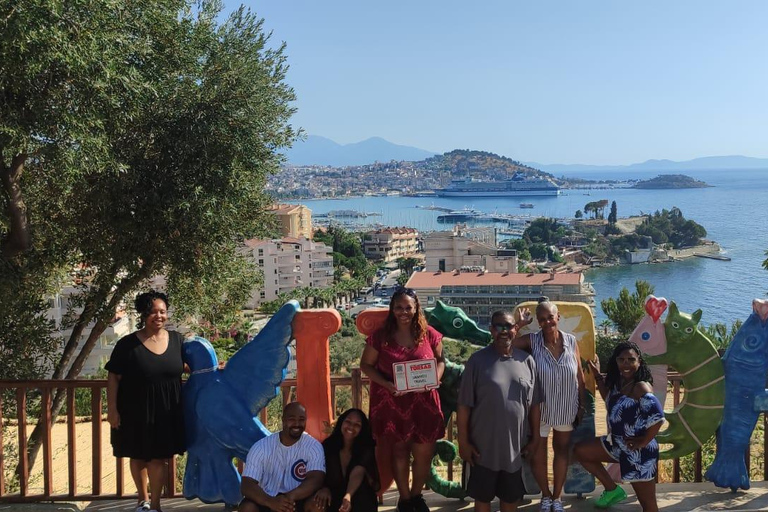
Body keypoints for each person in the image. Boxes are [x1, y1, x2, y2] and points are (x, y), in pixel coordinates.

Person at [360, 286, 445, 512]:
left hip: (424, 403)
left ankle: (417, 496)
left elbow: (440, 360)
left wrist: (435, 378)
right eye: (399, 307)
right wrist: (387, 384)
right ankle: (405, 500)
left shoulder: (429, 334)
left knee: (424, 453)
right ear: (392, 309)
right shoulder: (380, 337)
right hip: (395, 403)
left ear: (416, 308)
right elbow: (365, 366)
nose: (404, 312)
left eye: (408, 307)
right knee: (400, 452)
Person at [106, 290, 186, 512]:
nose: (158, 316)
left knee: (158, 458)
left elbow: (187, 366)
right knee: (138, 455)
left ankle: (156, 506)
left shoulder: (178, 340)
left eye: (162, 311)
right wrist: (112, 409)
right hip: (134, 409)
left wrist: (216, 369)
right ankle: (143, 501)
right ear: (143, 314)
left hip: (167, 410)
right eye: (152, 312)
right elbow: (113, 376)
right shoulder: (126, 345)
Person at [457, 310, 542, 512]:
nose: (504, 331)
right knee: (482, 500)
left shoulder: (527, 361)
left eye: (509, 327)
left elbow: (535, 405)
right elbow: (463, 406)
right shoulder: (477, 361)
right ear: (491, 330)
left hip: (514, 450)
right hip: (482, 449)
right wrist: (463, 442)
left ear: (515, 329)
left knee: (510, 500)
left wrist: (536, 439)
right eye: (499, 326)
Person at [512, 299, 586, 512]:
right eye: (542, 319)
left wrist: (581, 407)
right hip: (540, 409)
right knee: (538, 452)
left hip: (566, 407)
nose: (547, 322)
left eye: (550, 317)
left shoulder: (571, 341)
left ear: (558, 317)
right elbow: (504, 344)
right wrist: (519, 325)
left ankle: (557, 498)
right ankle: (545, 495)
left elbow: (579, 376)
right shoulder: (532, 341)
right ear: (538, 321)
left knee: (561, 451)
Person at [574, 342, 664, 511]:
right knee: (581, 450)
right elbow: (608, 399)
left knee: (648, 506)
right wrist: (597, 376)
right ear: (616, 361)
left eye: (631, 360)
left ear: (639, 362)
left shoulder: (640, 387)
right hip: (617, 444)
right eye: (622, 359)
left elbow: (658, 418)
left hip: (638, 454)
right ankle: (612, 489)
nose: (626, 364)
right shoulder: (620, 383)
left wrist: (643, 442)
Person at [240, 402, 326, 512]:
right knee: (247, 508)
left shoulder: (313, 446)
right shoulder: (261, 447)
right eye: (292, 419)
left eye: (301, 419)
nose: (297, 424)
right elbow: (247, 485)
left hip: (297, 499)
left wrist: (288, 498)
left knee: (317, 505)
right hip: (267, 499)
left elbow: (316, 479)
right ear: (283, 420)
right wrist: (271, 502)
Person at [312, 408, 380, 512]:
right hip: (333, 497)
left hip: (359, 497)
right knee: (318, 501)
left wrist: (348, 496)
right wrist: (324, 488)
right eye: (348, 422)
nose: (351, 427)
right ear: (341, 422)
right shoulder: (328, 445)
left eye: (357, 424)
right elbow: (318, 471)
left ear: (362, 428)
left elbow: (358, 471)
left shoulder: (366, 447)